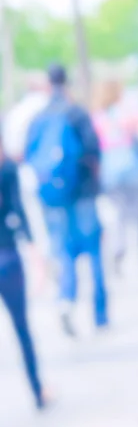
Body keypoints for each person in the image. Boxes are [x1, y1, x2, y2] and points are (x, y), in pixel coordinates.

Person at [25, 64, 107, 337]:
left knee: (64, 251)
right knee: (94, 251)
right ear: (66, 82)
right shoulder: (76, 112)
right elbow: (95, 150)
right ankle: (100, 315)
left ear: (48, 84)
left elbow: (29, 155)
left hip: (53, 198)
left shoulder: (39, 118)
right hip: (82, 192)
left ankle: (65, 301)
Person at [0, 135, 47, 409]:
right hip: (7, 258)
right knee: (22, 328)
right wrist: (34, 251)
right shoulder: (7, 169)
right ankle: (37, 389)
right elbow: (19, 211)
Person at [92, 80, 138, 274]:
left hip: (110, 171)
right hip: (133, 168)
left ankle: (118, 253)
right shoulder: (129, 112)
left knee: (118, 215)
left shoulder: (98, 117)